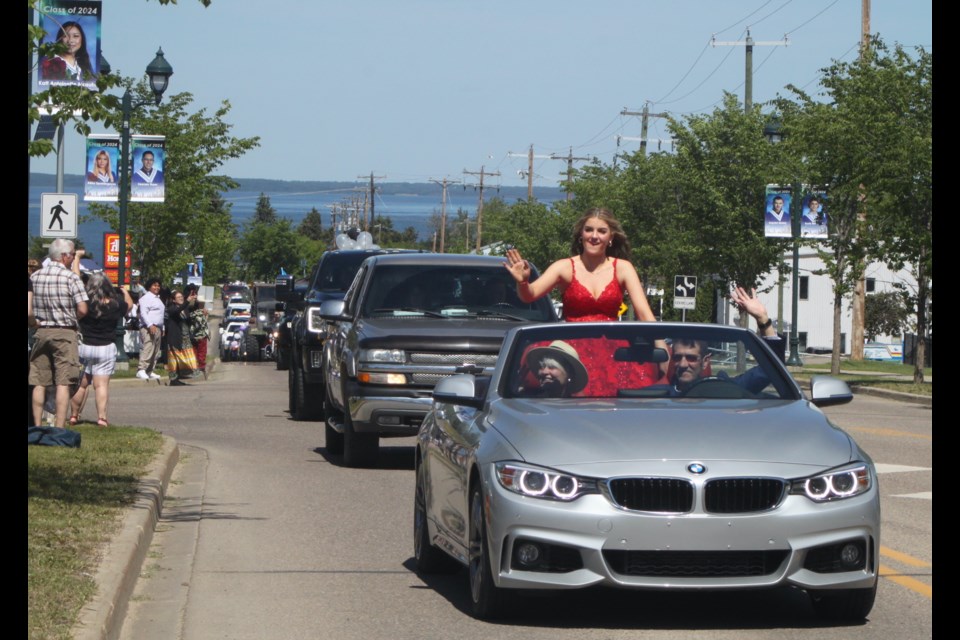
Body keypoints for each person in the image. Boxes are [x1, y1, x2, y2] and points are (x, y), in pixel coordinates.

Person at [503, 207, 662, 394]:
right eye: (589, 230)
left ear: (611, 238)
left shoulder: (623, 268)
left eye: (601, 231)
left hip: (611, 350)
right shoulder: (564, 267)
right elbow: (530, 294)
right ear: (581, 234)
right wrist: (522, 282)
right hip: (572, 350)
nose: (594, 236)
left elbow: (645, 314)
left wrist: (664, 350)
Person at [665, 286, 783, 395]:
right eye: (677, 357)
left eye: (691, 358)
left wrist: (762, 319)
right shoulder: (655, 396)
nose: (683, 364)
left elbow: (770, 370)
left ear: (705, 361)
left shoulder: (727, 389)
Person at [28, 239, 89, 427]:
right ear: (64, 256)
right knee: (64, 381)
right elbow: (83, 309)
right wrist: (71, 317)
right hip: (65, 331)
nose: (72, 258)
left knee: (39, 380)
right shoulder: (71, 278)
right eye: (71, 255)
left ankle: (37, 425)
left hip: (41, 331)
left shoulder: (35, 277)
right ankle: (59, 427)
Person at [68, 273, 134, 427]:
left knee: (81, 384)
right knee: (101, 385)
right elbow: (129, 306)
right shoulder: (115, 304)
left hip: (85, 346)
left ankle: (73, 415)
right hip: (105, 347)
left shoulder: (85, 304)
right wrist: (125, 292)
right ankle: (102, 418)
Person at [521, 340, 588, 398]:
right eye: (542, 367)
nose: (544, 371)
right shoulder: (529, 402)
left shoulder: (577, 408)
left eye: (552, 367)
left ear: (568, 374)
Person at [165, 289, 199, 385]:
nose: (181, 298)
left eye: (182, 297)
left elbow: (192, 309)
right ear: (174, 300)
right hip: (175, 337)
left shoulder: (184, 309)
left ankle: (179, 377)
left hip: (185, 338)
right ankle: (173, 379)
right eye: (178, 297)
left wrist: (194, 299)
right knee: (174, 359)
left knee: (186, 357)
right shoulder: (172, 308)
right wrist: (187, 300)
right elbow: (177, 311)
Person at [137, 277, 165, 380]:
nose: (157, 287)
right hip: (149, 327)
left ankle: (149, 370)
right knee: (148, 347)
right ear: (149, 287)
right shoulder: (146, 298)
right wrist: (149, 325)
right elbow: (143, 313)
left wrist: (162, 327)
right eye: (154, 285)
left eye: (158, 285)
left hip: (158, 327)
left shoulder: (158, 298)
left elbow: (160, 314)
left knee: (156, 351)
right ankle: (141, 369)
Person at [184, 284, 210, 379]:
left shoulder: (199, 299)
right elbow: (187, 310)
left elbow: (203, 308)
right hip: (191, 330)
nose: (194, 294)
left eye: (195, 291)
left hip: (201, 331)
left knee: (202, 350)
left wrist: (203, 310)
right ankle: (194, 366)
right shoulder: (186, 300)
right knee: (193, 350)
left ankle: (201, 367)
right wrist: (190, 298)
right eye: (192, 291)